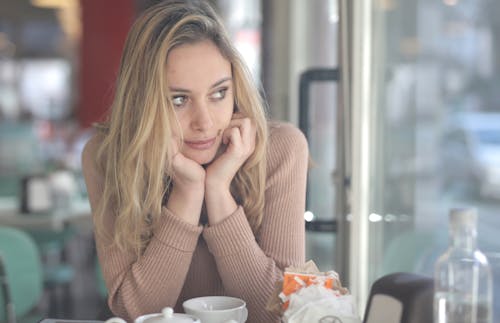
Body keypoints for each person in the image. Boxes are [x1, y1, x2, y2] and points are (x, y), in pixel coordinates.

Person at [81, 1, 308, 322]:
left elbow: (280, 313)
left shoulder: (281, 149)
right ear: (143, 103)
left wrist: (218, 190)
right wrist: (187, 193)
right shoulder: (107, 157)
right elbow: (136, 312)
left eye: (219, 93)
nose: (204, 122)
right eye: (178, 99)